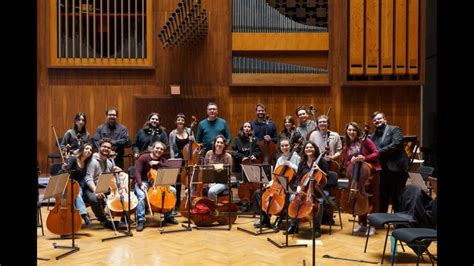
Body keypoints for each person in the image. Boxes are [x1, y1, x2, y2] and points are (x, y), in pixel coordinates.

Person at [342, 122, 381, 236]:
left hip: (371, 173)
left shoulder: (365, 141)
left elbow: (376, 154)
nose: (351, 132)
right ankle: (362, 223)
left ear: (357, 131)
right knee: (360, 196)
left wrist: (365, 158)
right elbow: (346, 162)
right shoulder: (347, 146)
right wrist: (351, 161)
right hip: (357, 174)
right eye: (349, 130)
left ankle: (372, 225)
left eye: (353, 130)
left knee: (373, 199)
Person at [253, 137, 300, 230]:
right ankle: (266, 218)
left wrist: (291, 165)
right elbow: (275, 175)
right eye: (282, 146)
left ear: (290, 146)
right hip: (278, 185)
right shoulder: (280, 159)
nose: (284, 147)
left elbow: (300, 171)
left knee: (286, 197)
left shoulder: (297, 157)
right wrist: (269, 183)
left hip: (291, 185)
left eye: (286, 145)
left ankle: (280, 218)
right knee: (258, 193)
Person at [134, 141, 179, 232]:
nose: (159, 150)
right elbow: (137, 172)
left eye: (161, 149)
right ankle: (141, 220)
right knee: (142, 195)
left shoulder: (161, 159)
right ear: (152, 148)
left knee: (173, 190)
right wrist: (140, 184)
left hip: (157, 183)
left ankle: (168, 216)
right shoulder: (143, 158)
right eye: (157, 148)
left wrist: (157, 163)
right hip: (143, 181)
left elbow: (170, 166)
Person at [286, 141, 328, 237]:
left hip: (318, 189)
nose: (309, 149)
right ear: (304, 150)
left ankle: (317, 228)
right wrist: (298, 188)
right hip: (304, 189)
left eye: (311, 147)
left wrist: (318, 169)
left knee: (319, 202)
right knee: (293, 198)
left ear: (315, 149)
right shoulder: (302, 163)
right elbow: (299, 178)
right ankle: (294, 225)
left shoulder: (322, 161)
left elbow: (327, 176)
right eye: (307, 148)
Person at [369, 111, 409, 213]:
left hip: (397, 169)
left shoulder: (394, 129)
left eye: (379, 119)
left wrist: (377, 153)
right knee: (383, 195)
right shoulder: (373, 136)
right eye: (374, 120)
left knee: (397, 196)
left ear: (384, 119)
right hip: (382, 169)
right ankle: (382, 220)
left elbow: (396, 144)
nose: (377, 121)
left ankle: (399, 221)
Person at [83, 138, 122, 229]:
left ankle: (123, 216)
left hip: (104, 186)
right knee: (94, 198)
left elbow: (111, 173)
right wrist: (96, 191)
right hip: (91, 187)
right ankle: (104, 220)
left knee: (120, 194)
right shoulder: (93, 161)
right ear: (99, 147)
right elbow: (88, 178)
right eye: (104, 146)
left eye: (108, 148)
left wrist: (117, 170)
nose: (106, 149)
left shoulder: (108, 162)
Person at [62, 143, 93, 227]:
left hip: (79, 185)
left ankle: (75, 219)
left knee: (78, 192)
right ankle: (84, 215)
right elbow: (66, 173)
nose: (88, 151)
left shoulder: (87, 163)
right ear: (82, 149)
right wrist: (65, 167)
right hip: (68, 183)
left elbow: (84, 178)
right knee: (77, 193)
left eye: (90, 150)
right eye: (86, 148)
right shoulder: (73, 159)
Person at [168, 113, 193, 209]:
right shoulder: (172, 133)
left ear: (184, 122)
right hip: (178, 158)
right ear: (175, 122)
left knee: (187, 179)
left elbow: (194, 144)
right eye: (178, 120)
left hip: (188, 158)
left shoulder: (189, 130)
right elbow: (171, 148)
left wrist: (192, 139)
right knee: (177, 181)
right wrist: (172, 161)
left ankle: (187, 201)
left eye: (182, 120)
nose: (180, 121)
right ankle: (177, 202)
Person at [203, 135, 233, 202]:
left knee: (211, 191)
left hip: (223, 182)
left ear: (224, 145)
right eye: (218, 142)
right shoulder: (208, 153)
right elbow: (205, 169)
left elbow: (228, 173)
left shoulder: (228, 156)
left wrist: (215, 183)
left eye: (221, 143)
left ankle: (213, 209)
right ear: (214, 143)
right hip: (209, 181)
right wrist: (209, 183)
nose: (219, 144)